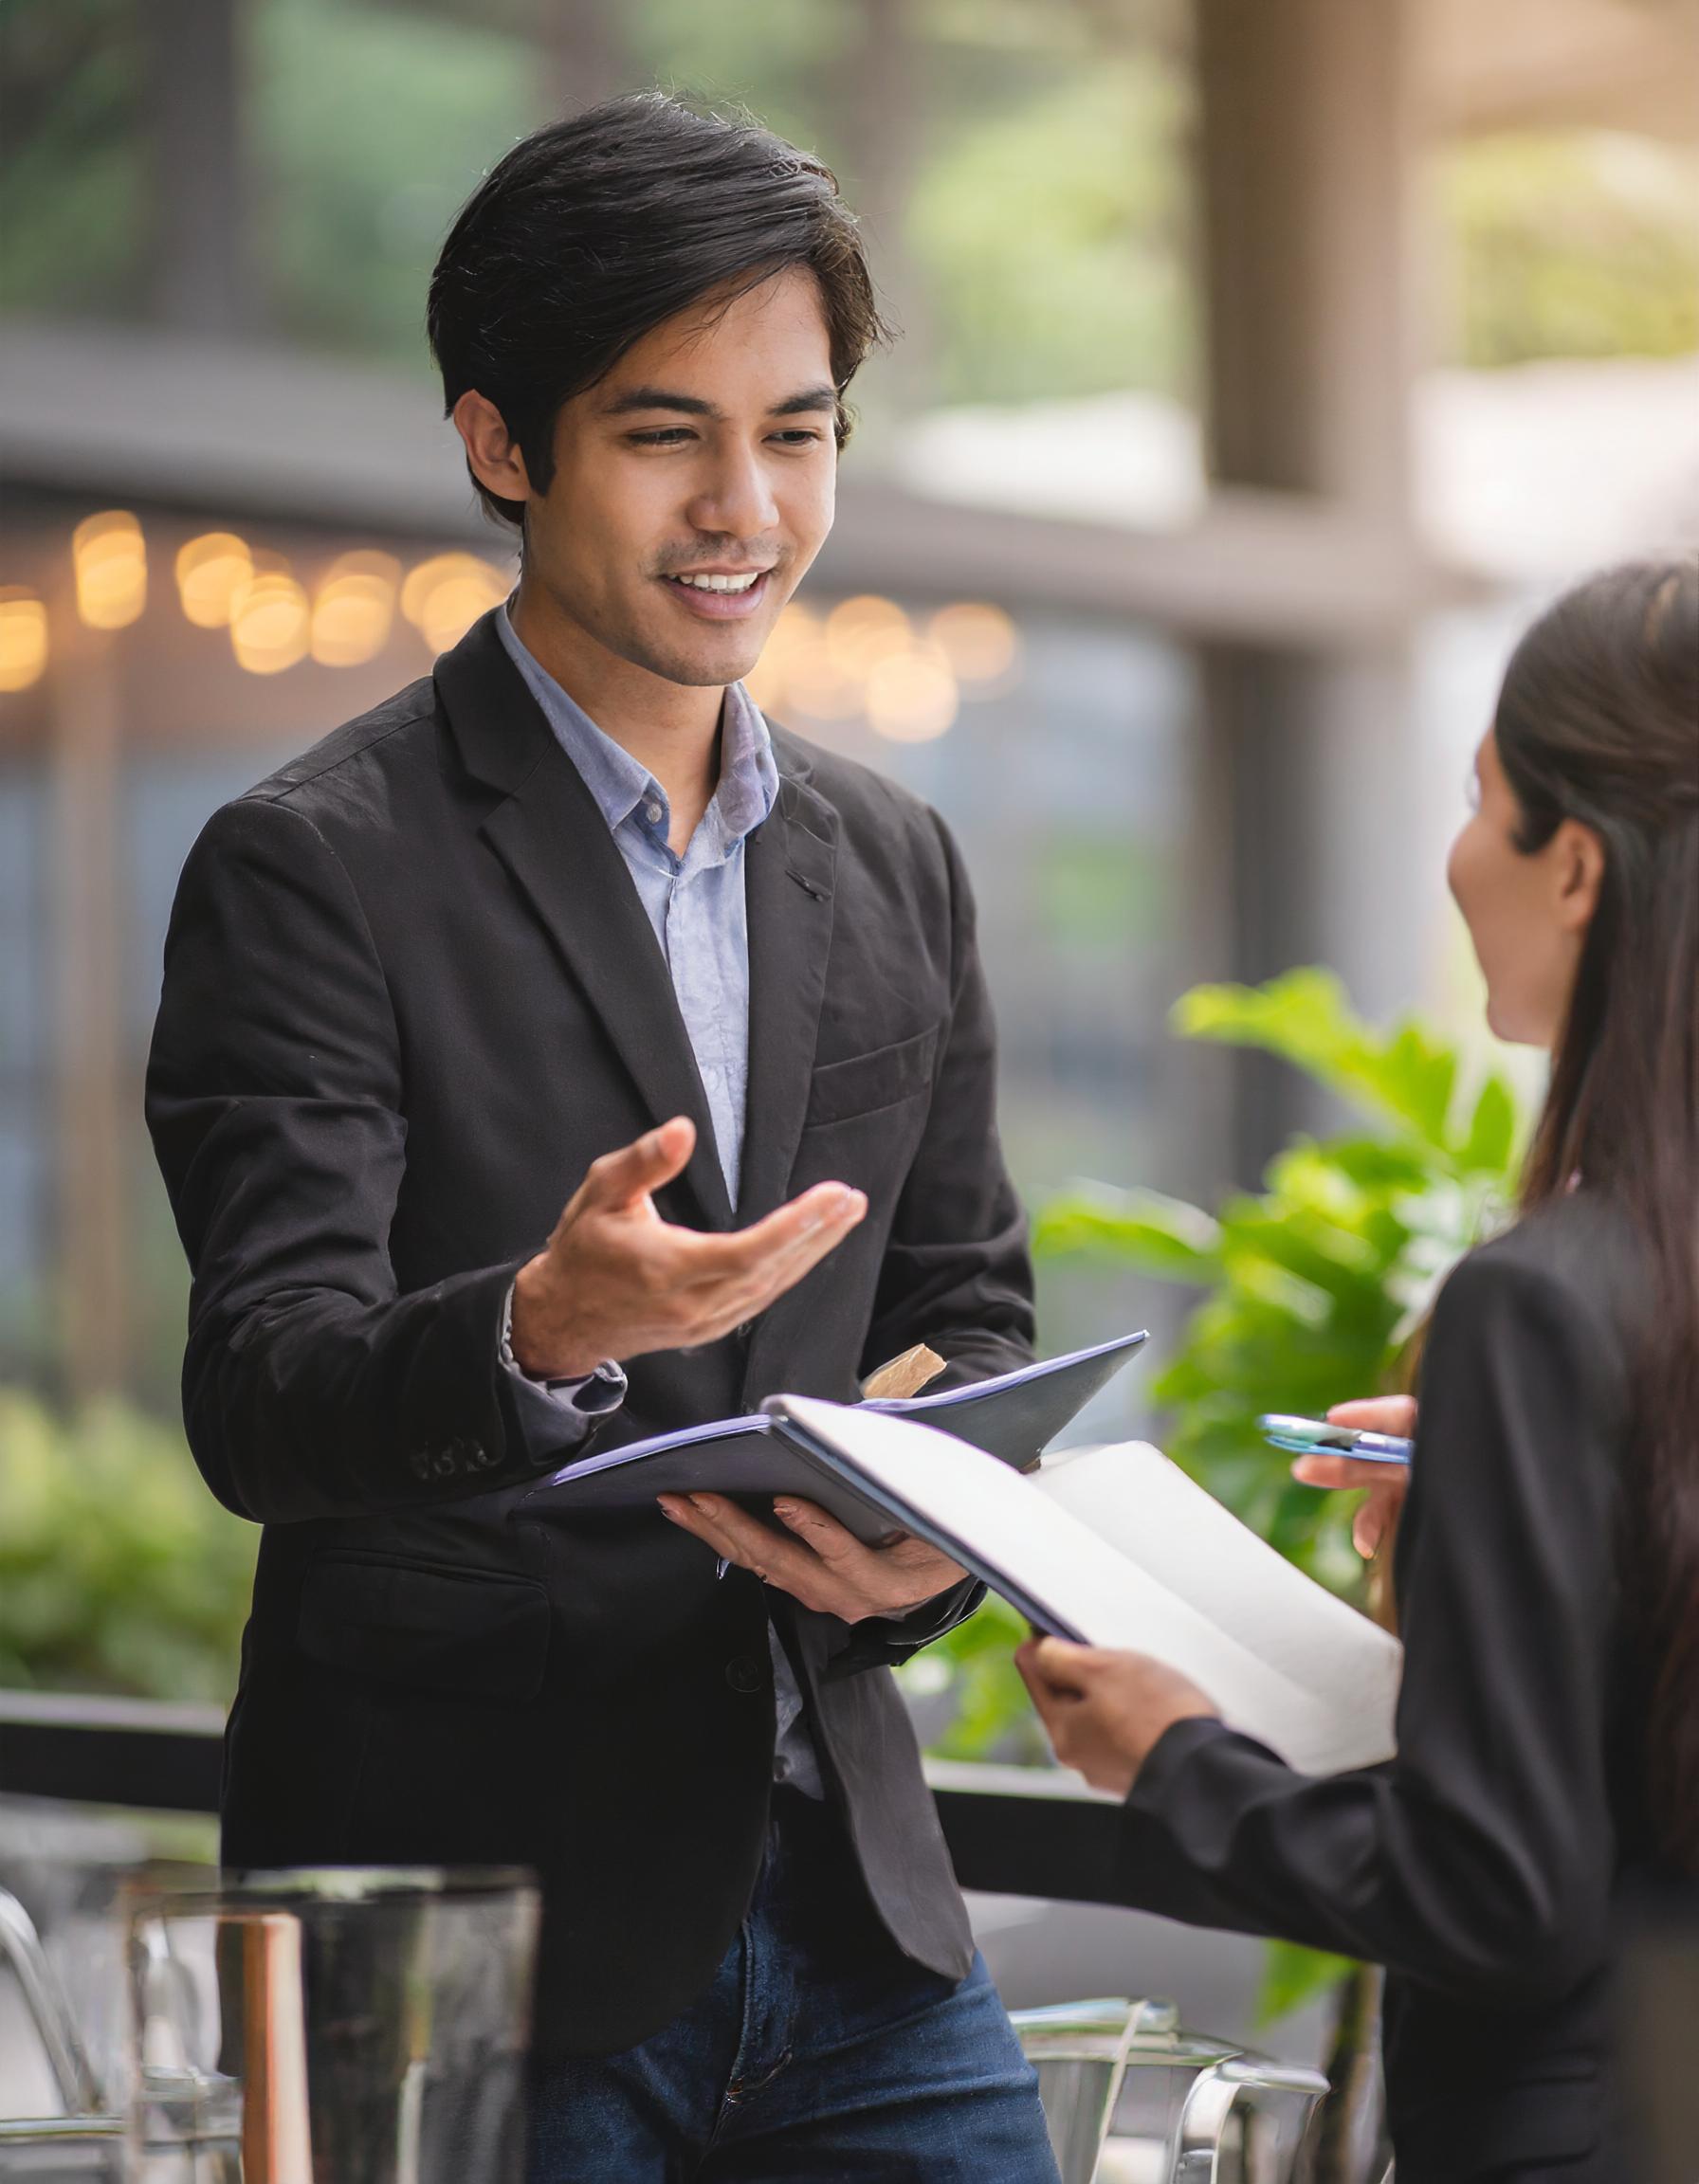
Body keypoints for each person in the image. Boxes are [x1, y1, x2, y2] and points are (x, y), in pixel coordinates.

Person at [146, 94, 1058, 2184]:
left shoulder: (890, 854)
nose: (744, 504)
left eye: (799, 431)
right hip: (469, 1920)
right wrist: (532, 1331)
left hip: (858, 1916)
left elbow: (966, 1307)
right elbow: (261, 1395)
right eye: (666, 435)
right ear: (500, 443)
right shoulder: (309, 866)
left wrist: (937, 1542)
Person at [1016, 556, 1699, 2183]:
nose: (1458, 856)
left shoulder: (1547, 1304)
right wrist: (1504, 1509)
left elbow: (1498, 1892)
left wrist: (1175, 1760)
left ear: (1580, 868)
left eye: (1483, 801)